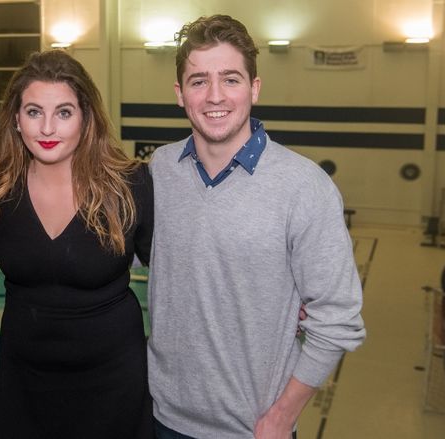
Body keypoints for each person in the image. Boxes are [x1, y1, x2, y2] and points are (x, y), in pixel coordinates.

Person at [146, 15, 366, 439]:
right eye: (198, 81)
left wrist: (282, 417)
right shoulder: (160, 171)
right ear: (179, 94)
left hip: (253, 430)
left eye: (230, 79)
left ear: (255, 87)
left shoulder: (304, 186)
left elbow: (338, 318)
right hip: (162, 419)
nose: (214, 96)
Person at [0, 50, 154, 438]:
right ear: (16, 120)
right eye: (35, 112)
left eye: (64, 112)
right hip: (25, 383)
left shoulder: (130, 185)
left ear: (86, 118)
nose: (48, 128)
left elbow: (179, 269)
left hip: (114, 384)